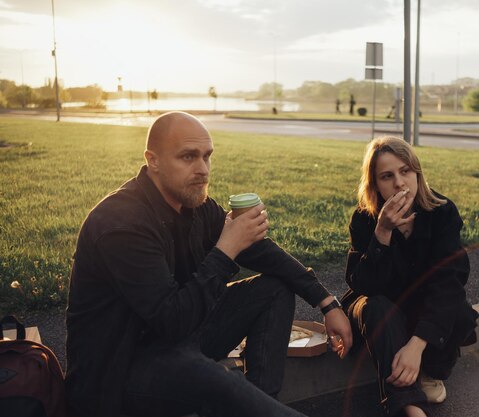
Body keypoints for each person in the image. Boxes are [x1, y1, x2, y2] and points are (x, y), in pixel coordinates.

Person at [65, 111, 352, 417]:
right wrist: (227, 248)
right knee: (217, 383)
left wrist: (326, 301)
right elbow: (171, 321)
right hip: (120, 371)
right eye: (188, 157)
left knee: (274, 288)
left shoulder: (194, 205)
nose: (202, 169)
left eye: (207, 156)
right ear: (154, 160)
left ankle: (264, 401)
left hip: (179, 339)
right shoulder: (122, 223)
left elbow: (262, 253)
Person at [342, 136, 478, 417]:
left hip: (419, 305)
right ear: (375, 184)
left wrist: (416, 345)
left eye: (406, 171)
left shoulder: (441, 212)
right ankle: (411, 408)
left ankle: (428, 368)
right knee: (377, 306)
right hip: (378, 306)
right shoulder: (365, 218)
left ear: (417, 173)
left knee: (461, 313)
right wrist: (382, 234)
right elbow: (363, 285)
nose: (400, 183)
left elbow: (450, 281)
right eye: (387, 176)